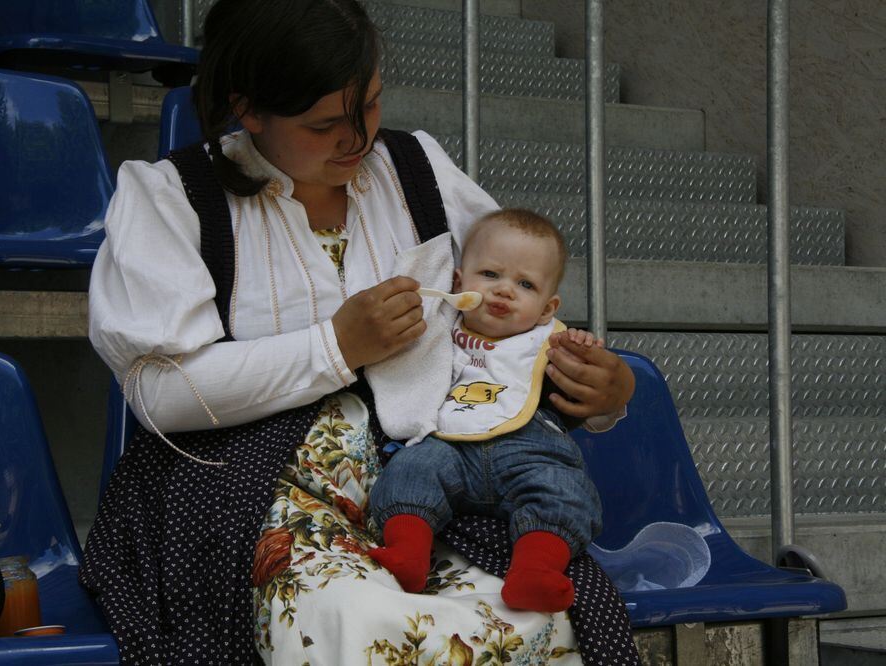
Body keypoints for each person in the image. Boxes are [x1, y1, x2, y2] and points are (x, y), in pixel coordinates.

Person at [80, 0, 639, 663]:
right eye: (324, 124)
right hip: (251, 499)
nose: (359, 140)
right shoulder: (172, 198)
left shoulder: (416, 169)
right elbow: (158, 393)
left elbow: (514, 303)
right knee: (367, 625)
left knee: (534, 621)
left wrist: (605, 392)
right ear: (248, 109)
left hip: (430, 492)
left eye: (369, 106)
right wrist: (336, 347)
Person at [369, 209, 605, 615]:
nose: (504, 291)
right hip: (451, 448)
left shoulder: (551, 344)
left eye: (525, 284)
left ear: (548, 309)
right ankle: (408, 552)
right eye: (491, 275)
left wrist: (581, 352)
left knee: (564, 489)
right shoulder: (440, 327)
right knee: (411, 467)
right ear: (459, 283)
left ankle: (535, 570)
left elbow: (585, 399)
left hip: (529, 454)